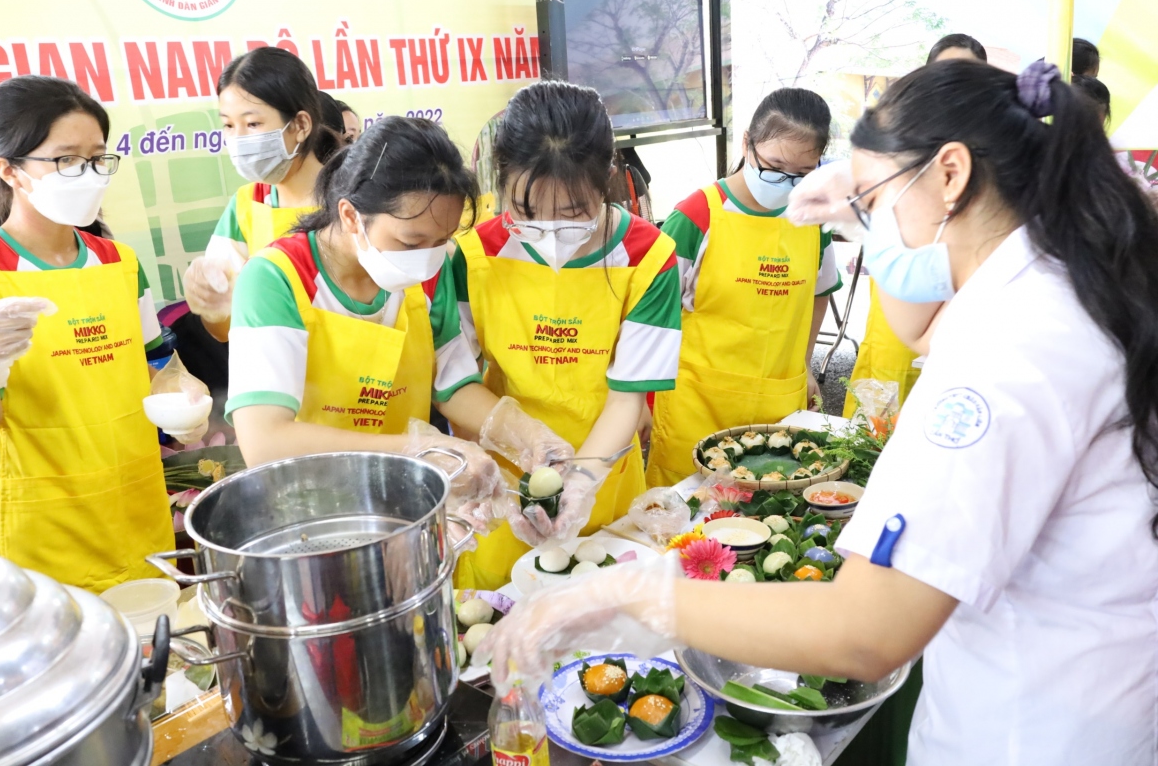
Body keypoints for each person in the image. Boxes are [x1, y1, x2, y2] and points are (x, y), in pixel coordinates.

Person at [477, 58, 1158, 765]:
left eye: (870, 200)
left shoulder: (1007, 360)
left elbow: (867, 630)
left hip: (1035, 732)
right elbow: (928, 328)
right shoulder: (1055, 288)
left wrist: (633, 592)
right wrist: (878, 203)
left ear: (951, 175)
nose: (868, 228)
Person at [440, 81, 683, 589]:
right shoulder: (472, 255)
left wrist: (581, 483)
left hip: (604, 474)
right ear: (501, 181)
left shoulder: (647, 257)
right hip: (503, 482)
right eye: (526, 213)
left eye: (573, 213)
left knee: (602, 610)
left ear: (608, 180)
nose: (550, 231)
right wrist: (520, 441)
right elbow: (454, 383)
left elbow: (628, 398)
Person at [0, 76, 173, 591]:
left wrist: (183, 397)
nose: (90, 175)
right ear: (9, 169)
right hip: (47, 522)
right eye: (66, 160)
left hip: (135, 501)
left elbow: (157, 364)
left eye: (99, 158)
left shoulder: (119, 261)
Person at [226, 116, 502, 513]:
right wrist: (417, 449)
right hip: (311, 511)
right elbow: (265, 442)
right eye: (411, 241)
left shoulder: (428, 273)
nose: (426, 259)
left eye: (441, 241)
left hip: (404, 505)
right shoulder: (276, 279)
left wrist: (524, 434)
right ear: (352, 216)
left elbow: (454, 385)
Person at [646, 88, 841, 487]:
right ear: (747, 144)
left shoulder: (813, 219)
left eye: (801, 174)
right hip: (697, 406)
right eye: (773, 166)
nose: (786, 182)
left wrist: (805, 364)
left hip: (777, 403)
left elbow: (818, 295)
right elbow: (651, 318)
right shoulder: (696, 217)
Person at [842, 34, 988, 419]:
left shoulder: (996, 152)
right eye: (943, 74)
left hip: (968, 308)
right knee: (877, 421)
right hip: (900, 308)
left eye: (968, 76)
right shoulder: (894, 138)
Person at [183, 47, 343, 342]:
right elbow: (223, 332)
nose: (238, 139)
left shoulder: (352, 202)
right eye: (229, 125)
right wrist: (214, 305)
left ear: (300, 125)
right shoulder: (247, 205)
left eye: (253, 123)